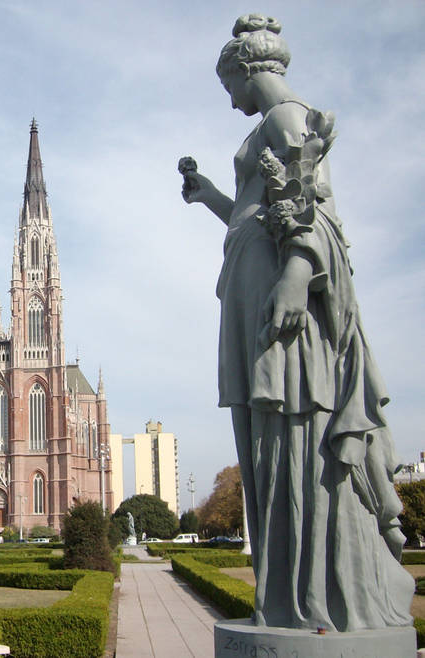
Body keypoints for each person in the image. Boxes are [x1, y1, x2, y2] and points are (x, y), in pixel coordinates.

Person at [181, 14, 412, 632]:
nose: (229, 98)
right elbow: (263, 209)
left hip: (281, 310)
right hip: (260, 297)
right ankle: (289, 588)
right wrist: (210, 197)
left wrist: (292, 276)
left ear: (247, 70)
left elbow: (315, 206)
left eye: (229, 84)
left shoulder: (285, 118)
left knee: (291, 442)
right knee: (272, 446)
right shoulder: (269, 126)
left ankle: (313, 592)